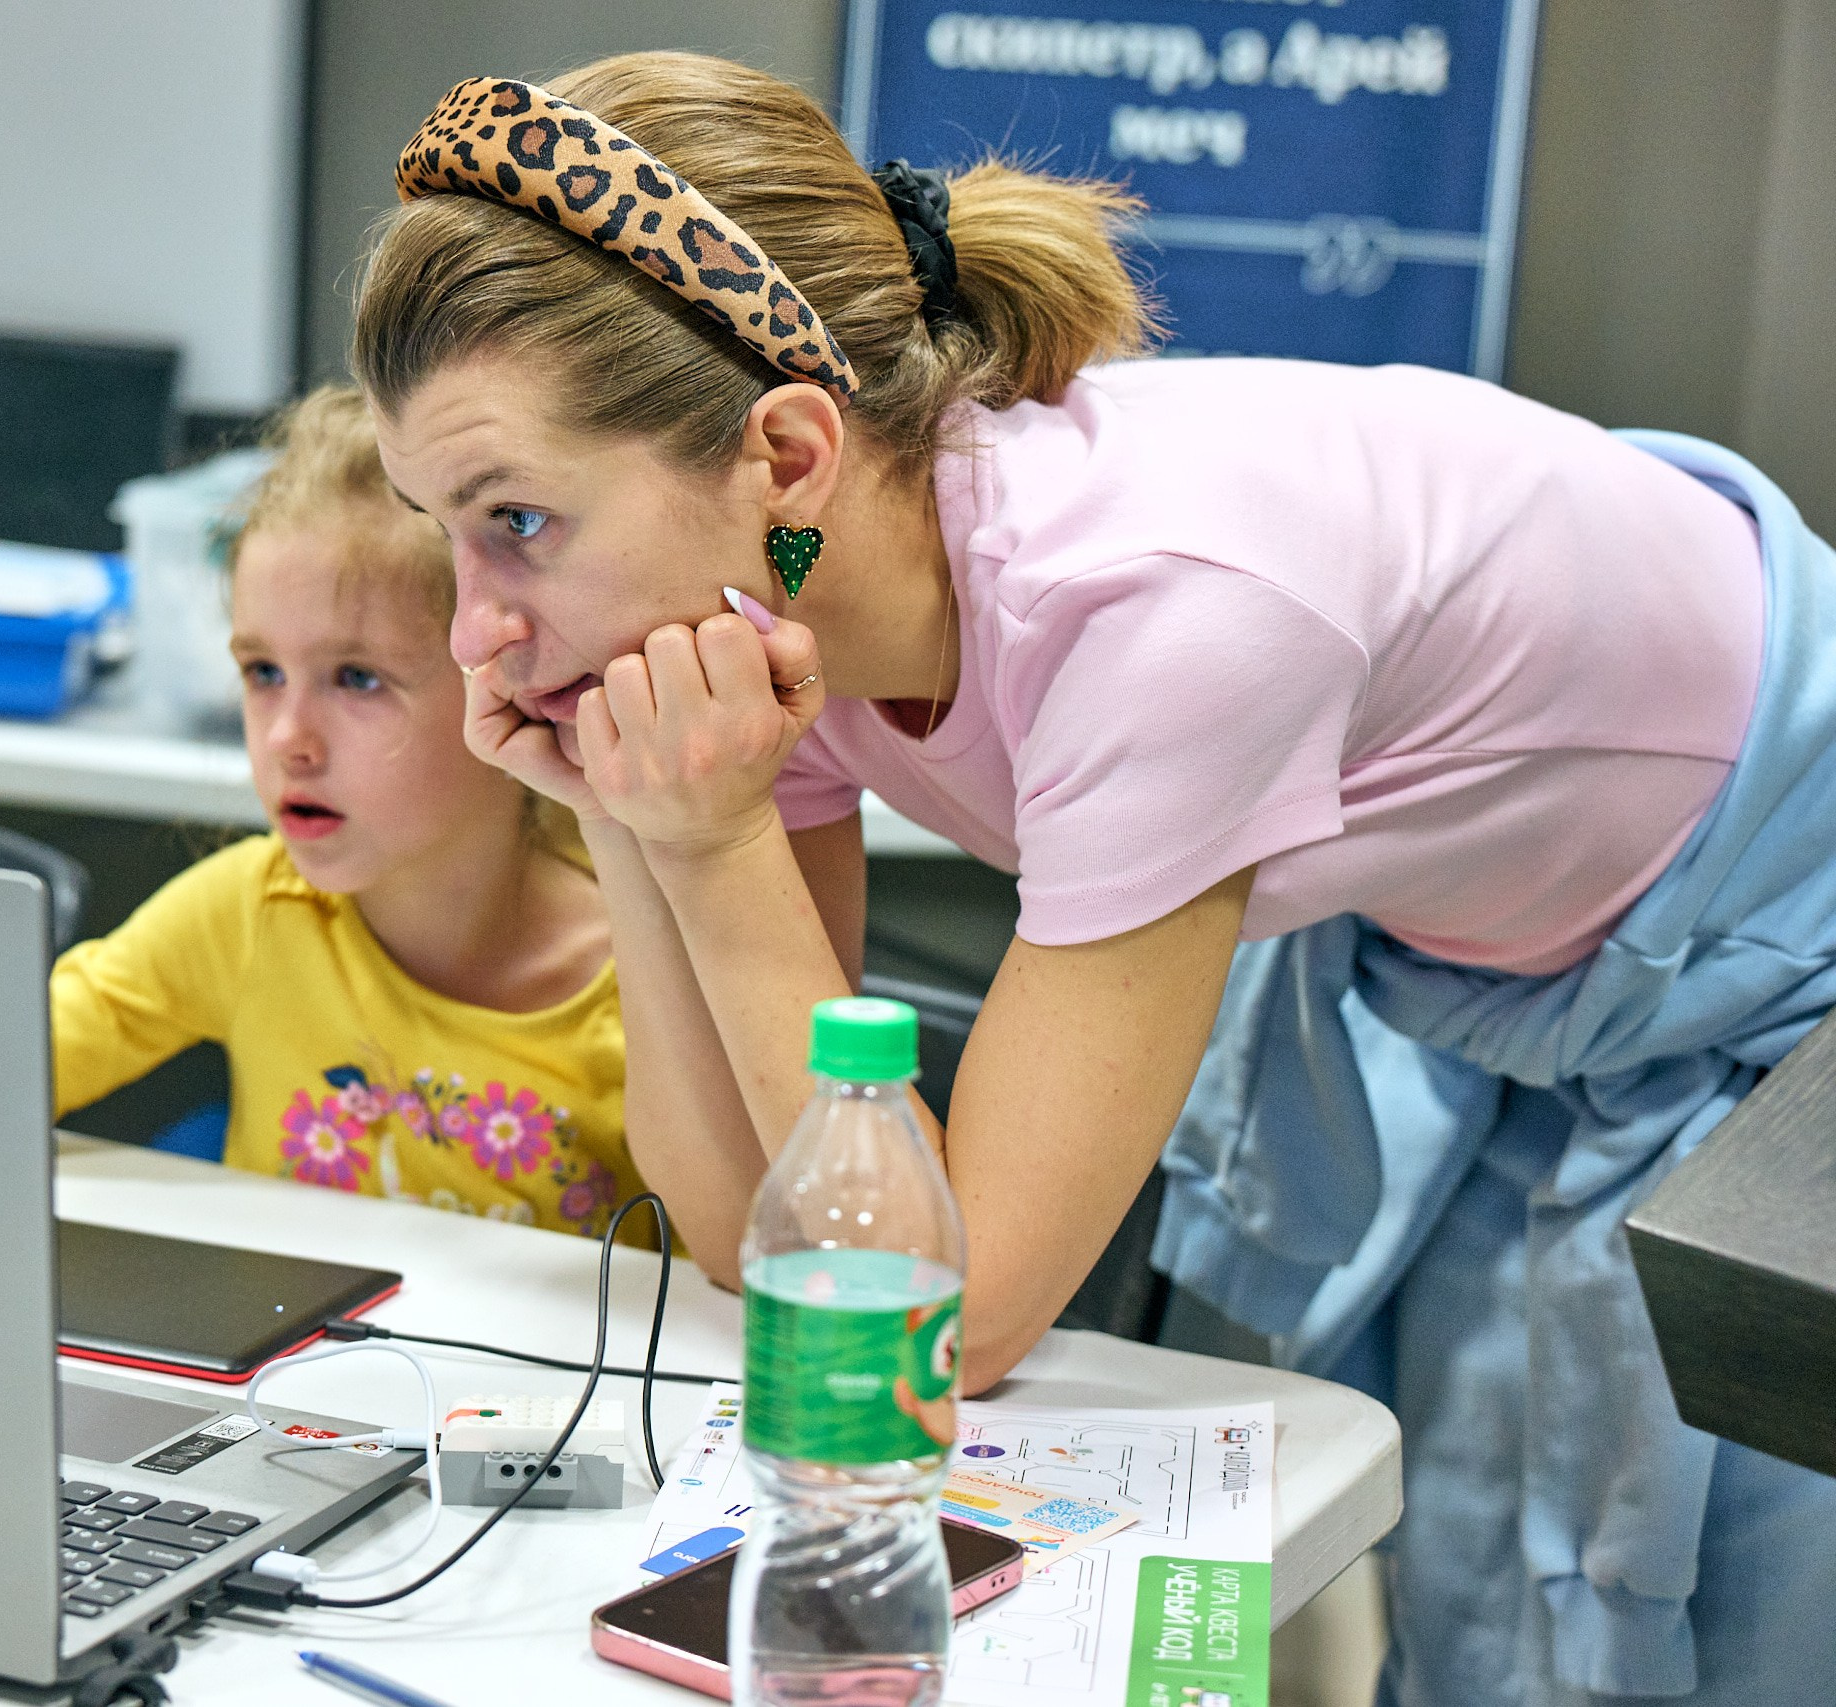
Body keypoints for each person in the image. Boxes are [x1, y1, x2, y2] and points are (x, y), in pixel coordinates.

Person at [351, 51, 1836, 1707]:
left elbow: (954, 1311)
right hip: (1519, 969)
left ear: (782, 457)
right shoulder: (786, 609)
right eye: (442, 529)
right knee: (1499, 1615)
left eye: (520, 523)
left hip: (1792, 963)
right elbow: (749, 1230)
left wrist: (708, 842)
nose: (474, 624)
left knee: (1725, 1628)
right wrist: (631, 815)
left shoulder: (1163, 613)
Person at [49, 387, 641, 1241]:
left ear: (513, 686)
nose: (289, 738)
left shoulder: (641, 981)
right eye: (262, 672)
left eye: (357, 678)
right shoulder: (252, 911)